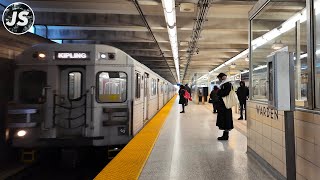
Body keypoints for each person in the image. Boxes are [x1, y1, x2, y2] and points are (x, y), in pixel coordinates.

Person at [216, 73, 233, 140]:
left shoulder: (227, 84)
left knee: (226, 119)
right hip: (224, 105)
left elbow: (224, 93)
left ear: (222, 78)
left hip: (225, 106)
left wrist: (219, 92)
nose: (219, 80)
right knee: (224, 119)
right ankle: (225, 134)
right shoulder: (224, 84)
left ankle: (225, 135)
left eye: (219, 78)